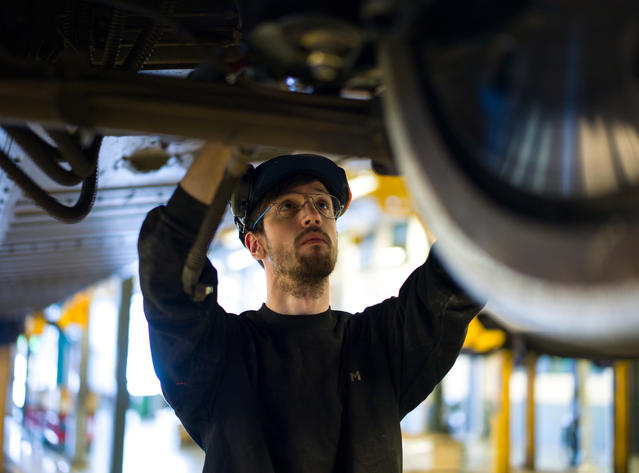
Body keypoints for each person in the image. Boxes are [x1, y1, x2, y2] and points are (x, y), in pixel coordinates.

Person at [138, 143, 483, 473]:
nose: (311, 215)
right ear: (255, 244)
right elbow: (167, 272)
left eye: (323, 205)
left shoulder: (379, 346)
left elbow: (460, 274)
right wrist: (224, 143)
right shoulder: (220, 355)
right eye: (287, 206)